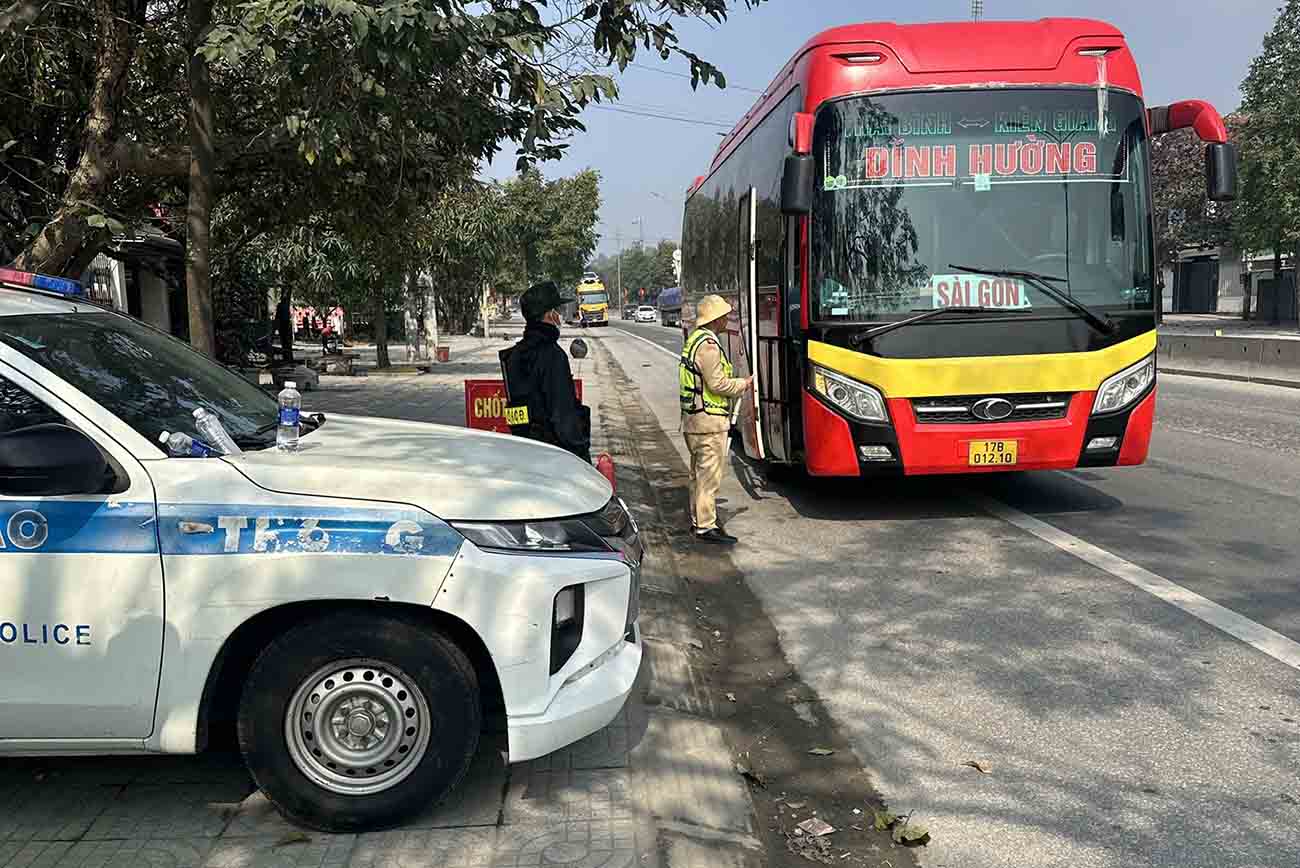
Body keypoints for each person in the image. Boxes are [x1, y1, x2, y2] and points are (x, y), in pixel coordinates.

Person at [679, 294, 752, 545]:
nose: (727, 320)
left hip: (694, 420)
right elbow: (717, 384)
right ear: (715, 319)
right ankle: (706, 527)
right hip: (708, 422)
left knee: (698, 476)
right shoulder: (708, 346)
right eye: (724, 316)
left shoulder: (694, 339)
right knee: (708, 478)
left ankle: (699, 520)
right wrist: (743, 384)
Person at [501, 281, 591, 462]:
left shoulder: (514, 355)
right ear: (550, 314)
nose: (560, 316)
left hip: (524, 450)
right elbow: (563, 415)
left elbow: (516, 414)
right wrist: (581, 453)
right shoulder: (552, 355)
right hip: (555, 455)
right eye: (558, 310)